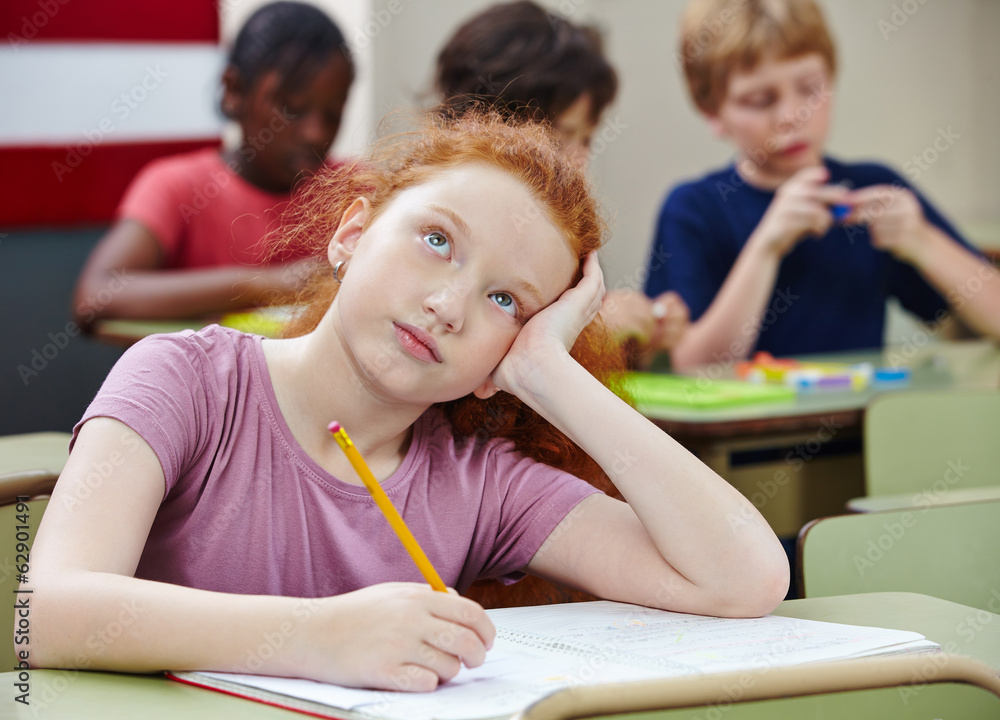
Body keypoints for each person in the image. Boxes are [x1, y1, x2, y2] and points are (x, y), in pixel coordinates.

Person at [29, 112, 788, 693]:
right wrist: (319, 637)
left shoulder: (481, 482)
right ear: (351, 234)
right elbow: (49, 614)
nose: (450, 305)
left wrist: (548, 372)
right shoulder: (186, 379)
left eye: (504, 300)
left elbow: (743, 578)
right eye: (436, 240)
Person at [646, 0, 1000, 371]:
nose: (790, 116)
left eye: (809, 88)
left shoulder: (874, 188)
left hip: (863, 428)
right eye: (759, 100)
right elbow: (689, 369)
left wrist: (921, 241)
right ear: (712, 112)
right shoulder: (694, 210)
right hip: (743, 431)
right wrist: (767, 246)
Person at [434, 0, 689, 364]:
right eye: (559, 137)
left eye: (586, 139)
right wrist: (594, 330)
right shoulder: (438, 218)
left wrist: (636, 340)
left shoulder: (557, 235)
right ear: (485, 124)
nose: (579, 161)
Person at [72, 1, 355, 329]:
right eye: (292, 109)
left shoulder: (358, 189)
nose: (314, 132)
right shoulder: (177, 186)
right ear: (234, 91)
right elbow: (94, 295)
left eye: (332, 115)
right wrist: (269, 284)